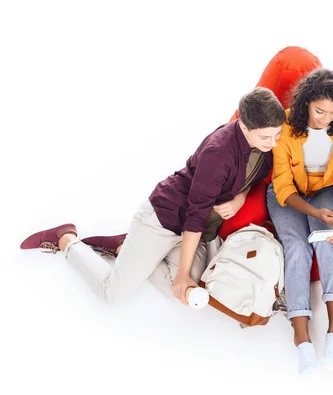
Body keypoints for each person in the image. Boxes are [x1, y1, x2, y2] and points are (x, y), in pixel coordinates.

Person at [20, 87, 286, 305]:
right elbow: (195, 215)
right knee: (113, 294)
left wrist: (239, 198)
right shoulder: (219, 153)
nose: (273, 143)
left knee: (192, 287)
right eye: (266, 136)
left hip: (193, 231)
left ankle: (128, 248)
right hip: (165, 219)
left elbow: (252, 178)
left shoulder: (262, 145)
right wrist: (181, 275)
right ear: (244, 125)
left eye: (277, 134)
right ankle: (66, 239)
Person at [266, 68, 333, 374]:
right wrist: (313, 213)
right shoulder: (285, 124)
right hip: (288, 194)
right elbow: (283, 186)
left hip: (328, 186)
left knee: (328, 238)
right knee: (297, 249)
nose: (326, 119)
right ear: (306, 102)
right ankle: (302, 340)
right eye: (319, 110)